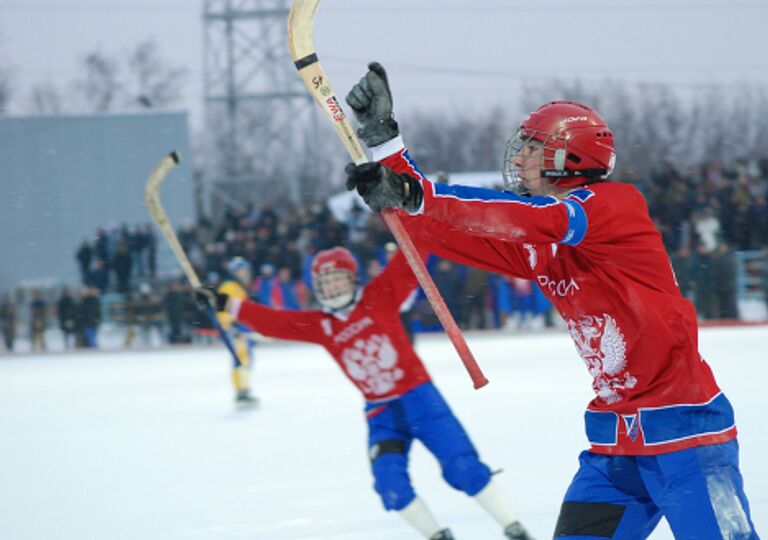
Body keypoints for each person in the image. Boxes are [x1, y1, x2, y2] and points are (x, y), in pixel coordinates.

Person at [343, 63, 759, 538]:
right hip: (615, 448)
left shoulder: (611, 206)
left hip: (686, 436)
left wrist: (419, 194)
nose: (518, 160)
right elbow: (436, 229)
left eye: (532, 149)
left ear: (569, 156)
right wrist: (387, 150)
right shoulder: (539, 241)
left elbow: (535, 218)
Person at [196, 247, 532, 540]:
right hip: (380, 414)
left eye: (336, 279)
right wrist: (226, 303)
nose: (330, 288)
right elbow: (274, 321)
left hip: (420, 399)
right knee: (391, 486)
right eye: (323, 283)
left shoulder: (379, 295)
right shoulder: (322, 324)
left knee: (463, 468)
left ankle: (513, 529)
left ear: (351, 278)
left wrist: (417, 208)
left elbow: (409, 256)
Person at [217, 257, 258, 406]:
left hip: (241, 329)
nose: (245, 274)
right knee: (241, 359)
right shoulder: (230, 287)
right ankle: (241, 390)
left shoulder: (239, 287)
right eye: (241, 271)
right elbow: (221, 309)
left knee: (245, 358)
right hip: (235, 329)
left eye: (246, 271)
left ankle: (243, 388)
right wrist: (230, 326)